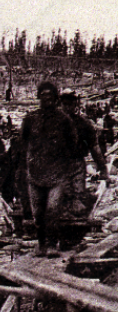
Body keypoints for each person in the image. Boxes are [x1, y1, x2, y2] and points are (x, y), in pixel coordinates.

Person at [20, 82, 79, 256]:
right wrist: (25, 165)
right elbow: (22, 143)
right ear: (39, 98)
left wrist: (65, 163)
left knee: (53, 210)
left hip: (57, 173)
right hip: (35, 173)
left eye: (51, 96)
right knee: (37, 213)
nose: (47, 100)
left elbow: (73, 143)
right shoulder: (30, 119)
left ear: (55, 99)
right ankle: (41, 244)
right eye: (44, 96)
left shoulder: (64, 120)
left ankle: (52, 244)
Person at [61, 90, 110, 222]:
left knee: (77, 196)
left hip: (76, 163)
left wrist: (103, 169)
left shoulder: (83, 124)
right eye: (64, 104)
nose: (66, 107)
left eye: (70, 104)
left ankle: (74, 228)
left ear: (75, 105)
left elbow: (94, 148)